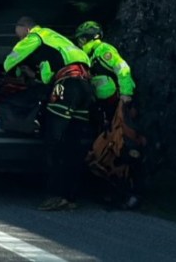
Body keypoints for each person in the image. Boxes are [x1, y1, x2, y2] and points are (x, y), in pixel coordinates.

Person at [3, 16, 94, 211]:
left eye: (19, 35)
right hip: (85, 86)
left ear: (26, 29)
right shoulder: (56, 38)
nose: (19, 39)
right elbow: (47, 76)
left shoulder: (35, 36)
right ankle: (70, 196)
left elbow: (9, 62)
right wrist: (32, 74)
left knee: (54, 140)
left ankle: (55, 195)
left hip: (66, 86)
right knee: (74, 144)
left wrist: (12, 69)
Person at [74, 20, 142, 210]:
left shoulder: (103, 50)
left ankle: (129, 191)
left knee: (121, 146)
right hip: (102, 108)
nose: (80, 43)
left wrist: (126, 94)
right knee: (103, 148)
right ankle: (109, 190)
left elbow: (122, 69)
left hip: (117, 106)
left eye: (82, 39)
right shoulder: (87, 57)